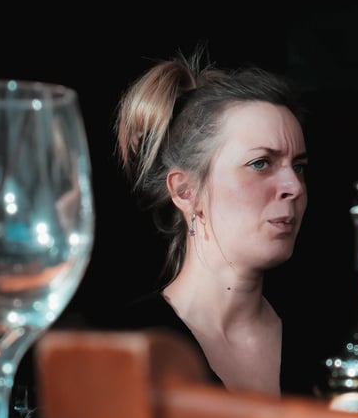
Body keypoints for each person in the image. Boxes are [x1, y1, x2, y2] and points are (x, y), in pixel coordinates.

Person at [110, 45, 309, 394]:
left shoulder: (326, 342)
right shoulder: (128, 349)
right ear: (186, 191)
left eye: (300, 168)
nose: (293, 186)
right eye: (260, 163)